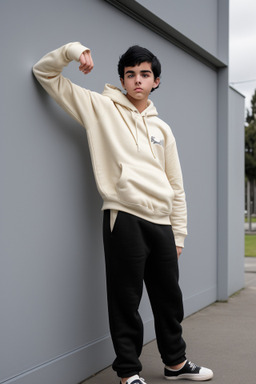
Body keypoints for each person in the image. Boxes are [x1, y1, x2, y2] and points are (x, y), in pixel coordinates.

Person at [33, 42, 213, 384]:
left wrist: (179, 233)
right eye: (130, 74)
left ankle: (175, 364)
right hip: (123, 217)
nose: (137, 81)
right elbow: (44, 73)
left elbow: (176, 185)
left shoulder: (163, 130)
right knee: (125, 301)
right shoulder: (99, 108)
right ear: (122, 79)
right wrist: (72, 51)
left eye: (145, 74)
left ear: (156, 81)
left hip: (162, 223)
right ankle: (128, 373)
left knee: (169, 301)